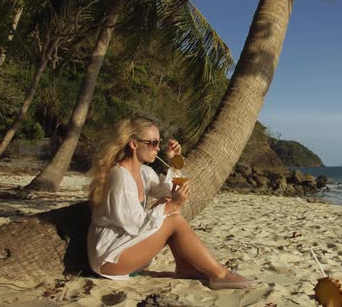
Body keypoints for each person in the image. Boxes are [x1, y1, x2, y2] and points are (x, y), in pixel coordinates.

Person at [86, 116, 256, 289]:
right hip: (109, 257)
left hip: (124, 245)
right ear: (134, 144)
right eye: (152, 143)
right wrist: (173, 206)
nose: (157, 148)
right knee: (172, 216)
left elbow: (168, 192)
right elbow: (134, 224)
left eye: (158, 142)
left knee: (167, 202)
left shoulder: (144, 172)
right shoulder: (120, 177)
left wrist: (174, 160)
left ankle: (185, 267)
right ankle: (220, 274)